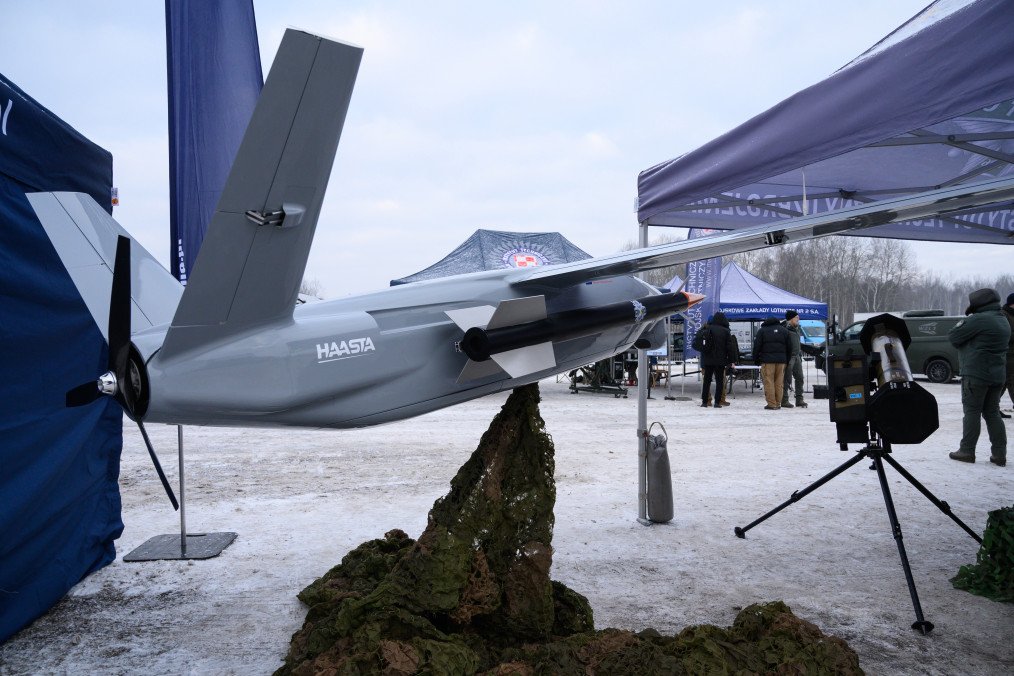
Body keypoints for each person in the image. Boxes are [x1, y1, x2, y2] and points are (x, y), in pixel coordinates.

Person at [947, 288, 1010, 467]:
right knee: (992, 413)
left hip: (976, 374)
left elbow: (953, 336)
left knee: (972, 412)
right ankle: (999, 454)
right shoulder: (1002, 319)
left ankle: (967, 450)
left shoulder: (979, 320)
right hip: (997, 375)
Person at [694, 312, 737, 408]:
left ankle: (705, 402)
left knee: (707, 381)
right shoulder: (725, 331)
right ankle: (717, 402)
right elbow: (730, 348)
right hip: (720, 361)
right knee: (719, 382)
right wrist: (731, 360)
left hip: (708, 360)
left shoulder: (707, 329)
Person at [753, 315, 791, 410]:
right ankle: (778, 403)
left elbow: (757, 346)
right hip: (782, 361)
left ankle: (771, 404)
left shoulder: (762, 331)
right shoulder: (785, 331)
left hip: (767, 361)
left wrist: (756, 359)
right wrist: (787, 360)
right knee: (779, 382)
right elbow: (790, 348)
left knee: (768, 381)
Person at [781, 310, 808, 409]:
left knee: (800, 377)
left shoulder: (797, 328)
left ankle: (799, 399)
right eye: (796, 317)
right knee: (786, 379)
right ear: (791, 319)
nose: (798, 319)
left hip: (797, 356)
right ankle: (784, 400)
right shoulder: (784, 329)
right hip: (789, 357)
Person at [1003, 292, 1014, 418]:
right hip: (1008, 355)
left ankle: (992, 408)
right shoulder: (1004, 315)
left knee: (1003, 384)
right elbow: (1005, 335)